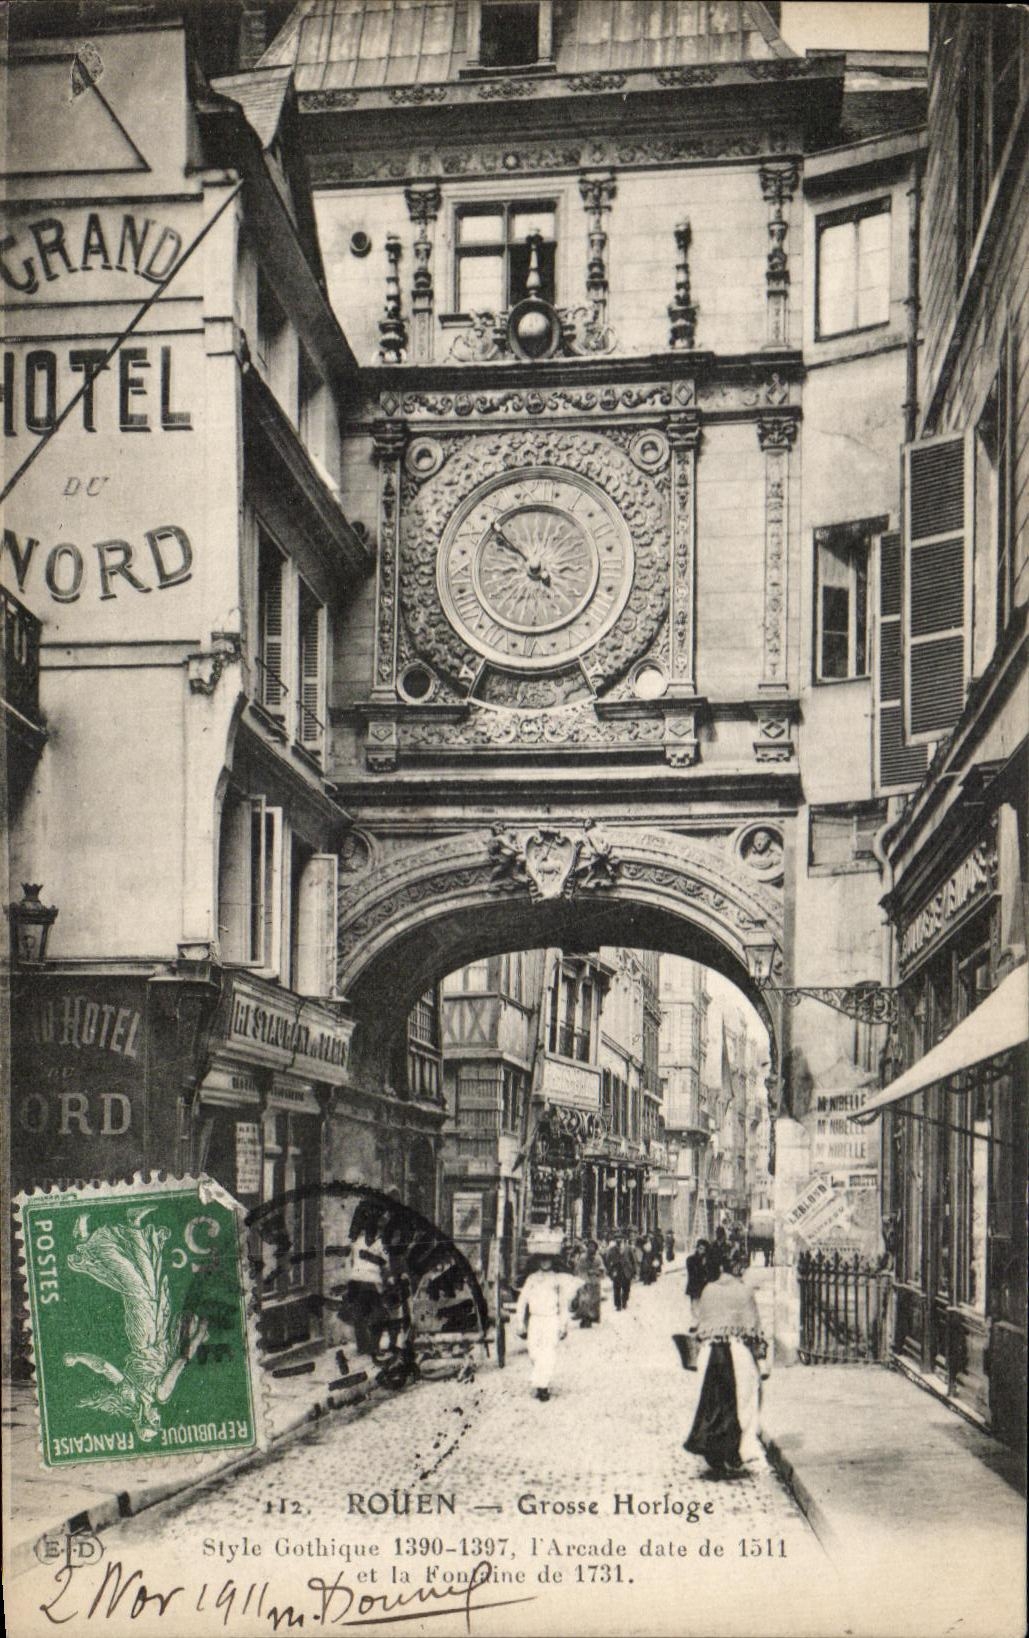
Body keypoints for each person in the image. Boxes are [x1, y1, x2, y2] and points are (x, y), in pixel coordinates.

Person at [683, 1244, 768, 1479]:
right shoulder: (744, 1291)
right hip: (738, 1350)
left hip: (710, 1352)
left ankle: (714, 1450)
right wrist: (761, 1358)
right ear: (738, 1267)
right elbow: (754, 1329)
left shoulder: (709, 1290)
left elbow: (701, 1324)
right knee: (746, 1399)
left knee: (711, 1402)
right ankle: (738, 1450)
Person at [515, 1246, 579, 1400]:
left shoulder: (557, 1279)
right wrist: (519, 1322)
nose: (545, 1262)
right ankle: (540, 1379)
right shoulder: (531, 1279)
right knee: (533, 1352)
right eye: (542, 1259)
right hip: (535, 1319)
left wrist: (563, 1325)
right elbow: (522, 1301)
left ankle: (542, 1387)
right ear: (537, 1261)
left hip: (551, 1319)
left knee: (548, 1352)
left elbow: (563, 1304)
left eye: (548, 1259)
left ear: (552, 1260)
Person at [572, 1239, 603, 1327]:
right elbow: (578, 1269)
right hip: (584, 1282)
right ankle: (584, 1319)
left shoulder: (598, 1258)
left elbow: (602, 1269)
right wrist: (581, 1278)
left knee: (593, 1302)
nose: (591, 1248)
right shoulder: (582, 1257)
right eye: (589, 1246)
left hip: (595, 1283)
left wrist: (595, 1272)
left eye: (593, 1247)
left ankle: (590, 1319)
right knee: (584, 1301)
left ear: (596, 1248)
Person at [604, 1232, 636, 1311]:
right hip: (617, 1271)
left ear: (623, 1239)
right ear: (615, 1240)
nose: (618, 1240)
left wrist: (634, 1271)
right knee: (616, 1288)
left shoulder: (628, 1248)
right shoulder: (611, 1249)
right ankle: (618, 1305)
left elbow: (633, 1260)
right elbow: (607, 1261)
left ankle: (624, 1301)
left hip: (626, 1271)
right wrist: (610, 1271)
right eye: (617, 1238)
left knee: (626, 1288)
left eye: (620, 1238)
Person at [685, 1237, 710, 1325]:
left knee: (703, 1305)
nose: (701, 1251)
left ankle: (702, 1323)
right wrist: (701, 1265)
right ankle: (695, 1322)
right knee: (694, 1305)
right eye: (700, 1248)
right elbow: (693, 1273)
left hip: (704, 1287)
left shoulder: (707, 1260)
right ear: (697, 1248)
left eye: (704, 1249)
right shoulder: (691, 1259)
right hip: (694, 1286)